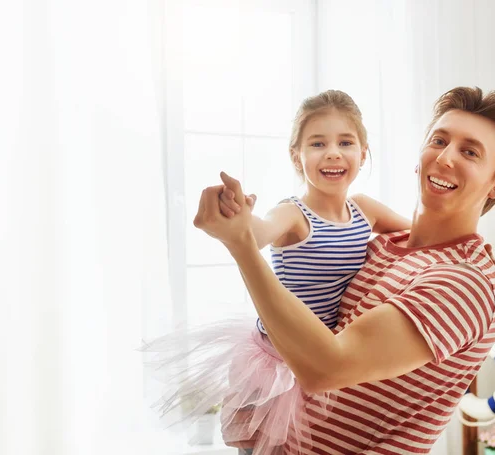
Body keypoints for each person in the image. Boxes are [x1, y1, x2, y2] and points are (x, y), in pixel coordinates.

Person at [194, 86, 495, 454]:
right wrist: (239, 221)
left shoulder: (467, 281)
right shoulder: (386, 244)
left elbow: (327, 369)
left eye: (469, 152)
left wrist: (241, 246)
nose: (445, 158)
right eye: (439, 140)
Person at [142, 90, 412, 453]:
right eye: (318, 143)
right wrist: (238, 218)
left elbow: (418, 236)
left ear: (363, 154)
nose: (332, 152)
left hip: (323, 354)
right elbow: (257, 232)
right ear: (296, 156)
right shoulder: (294, 214)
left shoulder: (364, 210)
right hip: (277, 364)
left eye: (345, 142)